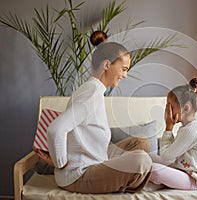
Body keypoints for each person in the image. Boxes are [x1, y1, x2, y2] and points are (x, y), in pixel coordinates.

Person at [34, 31, 152, 194]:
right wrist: (60, 163)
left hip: (95, 158)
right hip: (79, 174)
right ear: (107, 65)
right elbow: (56, 129)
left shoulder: (93, 89)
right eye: (124, 69)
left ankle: (125, 174)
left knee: (141, 142)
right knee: (142, 160)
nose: (125, 75)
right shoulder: (90, 95)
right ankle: (127, 179)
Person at [149, 78, 197, 190]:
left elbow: (166, 157)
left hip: (195, 179)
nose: (168, 110)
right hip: (183, 168)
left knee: (153, 169)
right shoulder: (188, 127)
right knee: (146, 157)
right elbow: (170, 153)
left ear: (186, 108)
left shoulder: (192, 131)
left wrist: (169, 126)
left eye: (171, 107)